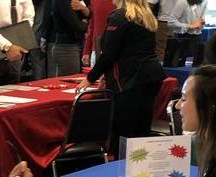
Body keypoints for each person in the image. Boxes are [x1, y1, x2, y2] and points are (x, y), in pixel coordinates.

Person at [77, 0, 165, 153]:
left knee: (124, 137)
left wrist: (90, 78)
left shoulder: (120, 16)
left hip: (129, 81)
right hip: (150, 77)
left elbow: (109, 54)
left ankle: (122, 171)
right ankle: (139, 173)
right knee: (141, 134)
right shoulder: (145, 15)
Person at [46, 0, 89, 76]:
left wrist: (83, 9)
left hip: (73, 45)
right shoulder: (62, 2)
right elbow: (77, 25)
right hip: (66, 48)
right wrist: (90, 25)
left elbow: (88, 16)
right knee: (69, 82)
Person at [166, 0, 206, 67]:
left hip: (195, 37)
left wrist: (201, 23)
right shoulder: (182, 2)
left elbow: (201, 20)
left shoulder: (204, 2)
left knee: (194, 65)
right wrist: (190, 26)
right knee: (176, 65)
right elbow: (171, 22)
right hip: (181, 37)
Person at [82, 0, 116, 65]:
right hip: (97, 49)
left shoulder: (123, 2)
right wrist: (86, 51)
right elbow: (92, 26)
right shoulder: (94, 1)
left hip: (116, 49)